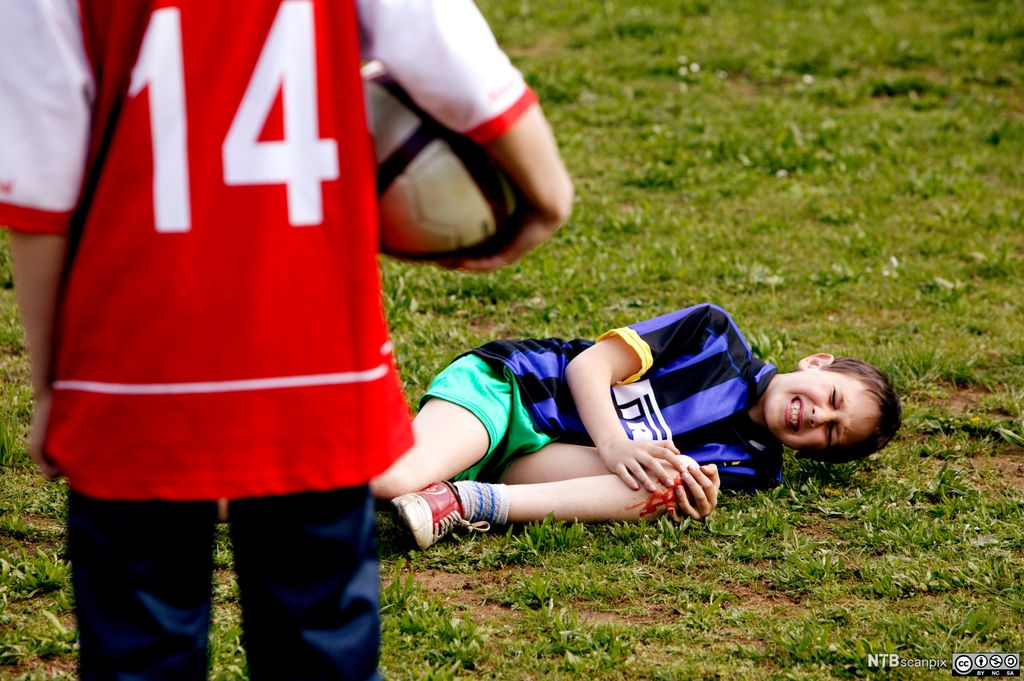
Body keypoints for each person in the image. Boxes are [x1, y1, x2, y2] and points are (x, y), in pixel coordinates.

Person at [0, 1, 571, 679]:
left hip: (136, 365)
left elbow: (41, 185)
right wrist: (547, 191)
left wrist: (51, 382)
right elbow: (453, 59)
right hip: (315, 360)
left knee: (139, 652)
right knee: (319, 645)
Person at [372, 303, 901, 549]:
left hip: (531, 465)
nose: (819, 415)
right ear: (816, 363)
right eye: (833, 398)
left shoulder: (756, 468)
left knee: (673, 482)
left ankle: (467, 503)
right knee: (393, 480)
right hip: (513, 392)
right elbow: (588, 366)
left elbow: (649, 488)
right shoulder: (714, 335)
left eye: (831, 432)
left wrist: (690, 501)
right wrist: (615, 443)